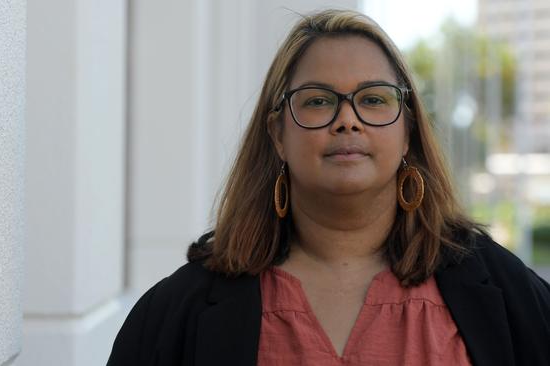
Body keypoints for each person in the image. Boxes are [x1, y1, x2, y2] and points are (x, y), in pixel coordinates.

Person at [107, 9, 550, 366]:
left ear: (408, 132)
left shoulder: (509, 295)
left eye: (374, 99)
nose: (347, 119)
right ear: (278, 134)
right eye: (318, 100)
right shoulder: (175, 313)